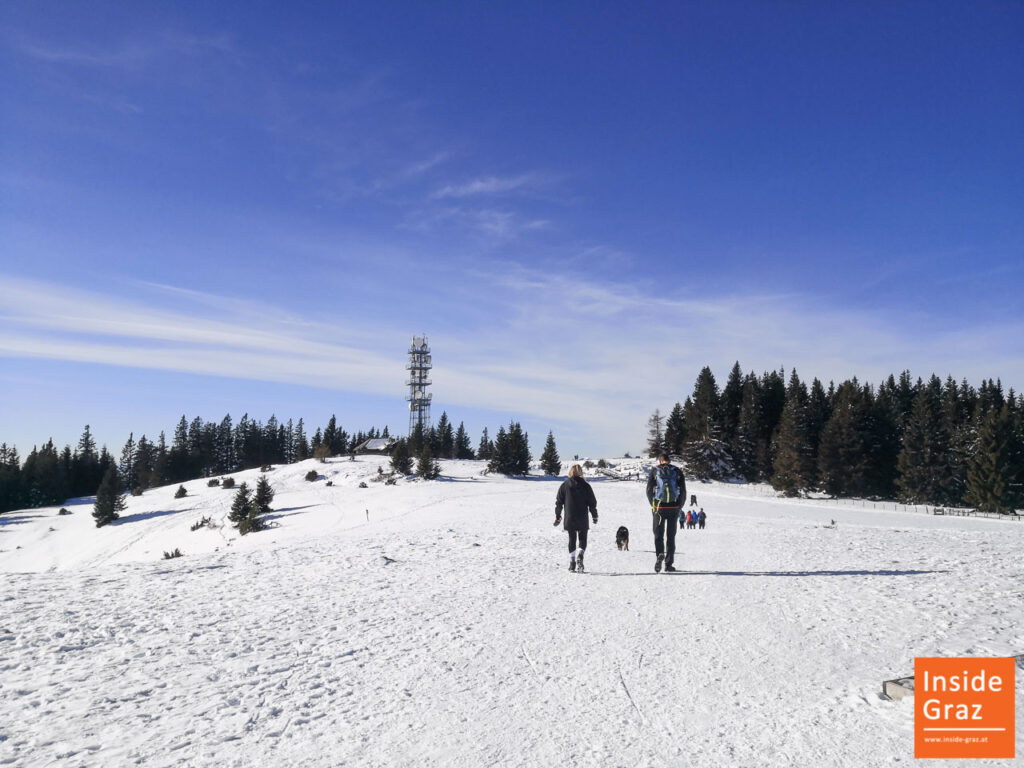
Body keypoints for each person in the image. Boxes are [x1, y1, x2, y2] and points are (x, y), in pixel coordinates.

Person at [554, 464, 598, 572]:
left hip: (570, 517)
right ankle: (580, 556)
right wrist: (594, 515)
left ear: (571, 472)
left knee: (572, 539)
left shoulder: (564, 485)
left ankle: (572, 562)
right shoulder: (586, 486)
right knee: (583, 538)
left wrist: (558, 516)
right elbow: (592, 502)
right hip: (582, 517)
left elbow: (559, 502)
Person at [646, 454, 686, 572]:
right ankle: (668, 565)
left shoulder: (655, 470)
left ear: (660, 461)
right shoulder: (677, 471)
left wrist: (653, 504)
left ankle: (659, 554)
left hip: (659, 508)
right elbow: (683, 490)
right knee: (670, 537)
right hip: (673, 507)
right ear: (669, 461)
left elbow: (649, 489)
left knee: (658, 535)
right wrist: (680, 505)